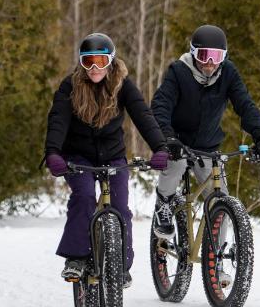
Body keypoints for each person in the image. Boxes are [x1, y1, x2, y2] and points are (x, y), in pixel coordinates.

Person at [44, 32, 168, 286]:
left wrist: (160, 147)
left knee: (120, 207)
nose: (94, 68)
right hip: (78, 157)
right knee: (85, 196)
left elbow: (142, 115)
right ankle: (76, 258)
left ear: (111, 61)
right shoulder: (70, 86)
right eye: (88, 61)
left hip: (113, 157)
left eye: (100, 61)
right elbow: (58, 120)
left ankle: (121, 266)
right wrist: (53, 153)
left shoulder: (122, 85)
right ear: (81, 62)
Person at [150, 24, 260, 239]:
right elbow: (160, 106)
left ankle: (216, 261)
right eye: (204, 55)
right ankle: (164, 204)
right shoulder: (178, 72)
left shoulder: (228, 73)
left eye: (216, 57)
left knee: (220, 200)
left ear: (223, 57)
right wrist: (168, 138)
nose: (209, 63)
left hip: (207, 146)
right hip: (177, 142)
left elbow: (245, 105)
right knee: (176, 165)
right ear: (193, 53)